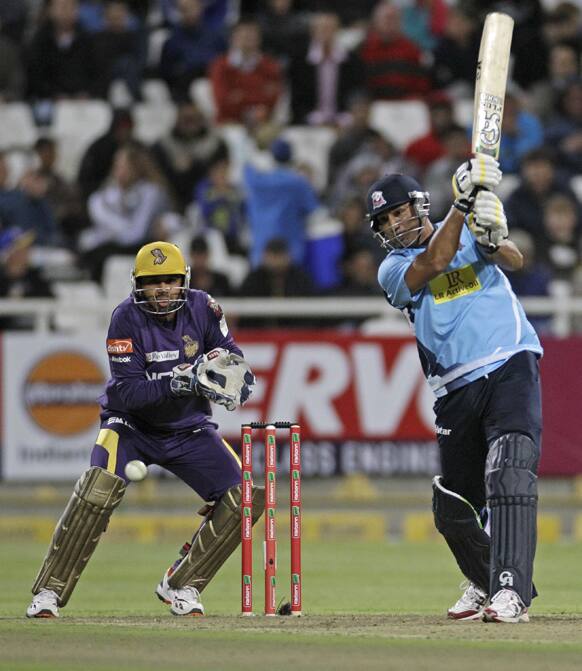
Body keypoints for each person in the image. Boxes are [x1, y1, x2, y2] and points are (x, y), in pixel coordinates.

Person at [26, 240, 262, 619]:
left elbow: (229, 353)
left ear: (183, 280)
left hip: (188, 429)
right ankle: (49, 593)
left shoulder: (204, 307)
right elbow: (132, 393)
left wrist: (223, 372)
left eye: (170, 280)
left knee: (245, 496)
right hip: (130, 425)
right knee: (97, 489)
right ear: (138, 284)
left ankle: (182, 584)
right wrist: (180, 382)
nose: (164, 289)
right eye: (154, 282)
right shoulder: (125, 318)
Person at [366, 154, 543, 623]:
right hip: (453, 386)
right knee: (453, 508)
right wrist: (462, 207)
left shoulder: (461, 226)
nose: (393, 223)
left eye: (399, 211)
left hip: (509, 359)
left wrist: (492, 236)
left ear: (419, 206)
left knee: (509, 470)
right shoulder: (392, 270)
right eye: (384, 219)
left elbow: (515, 260)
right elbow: (436, 260)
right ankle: (484, 580)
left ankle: (510, 591)